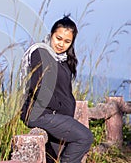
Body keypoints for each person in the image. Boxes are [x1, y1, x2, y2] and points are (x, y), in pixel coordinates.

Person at [19, 15, 93, 163]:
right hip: (41, 114)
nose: (61, 44)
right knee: (84, 137)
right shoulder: (40, 52)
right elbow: (38, 86)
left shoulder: (64, 60)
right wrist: (58, 107)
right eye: (58, 38)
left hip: (58, 116)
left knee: (52, 158)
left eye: (67, 41)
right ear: (51, 34)